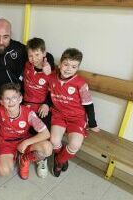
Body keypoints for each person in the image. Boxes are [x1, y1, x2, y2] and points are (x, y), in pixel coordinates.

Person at [0, 18, 55, 102]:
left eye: (5, 37)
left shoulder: (18, 48)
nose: (1, 42)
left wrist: (48, 64)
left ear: (10, 35)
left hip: (11, 101)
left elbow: (47, 55)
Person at [0, 83, 52, 182]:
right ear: (1, 101)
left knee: (48, 148)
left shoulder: (28, 113)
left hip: (23, 140)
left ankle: (25, 159)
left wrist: (25, 143)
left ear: (20, 99)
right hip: (5, 143)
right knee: (4, 171)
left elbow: (46, 134)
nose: (11, 101)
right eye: (7, 99)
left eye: (14, 98)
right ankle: (12, 157)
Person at [48, 48, 100, 177]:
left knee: (75, 144)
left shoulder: (80, 83)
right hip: (58, 115)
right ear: (60, 64)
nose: (68, 69)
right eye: (66, 64)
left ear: (77, 68)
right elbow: (47, 95)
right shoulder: (52, 77)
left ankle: (59, 160)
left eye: (73, 66)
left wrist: (92, 123)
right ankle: (61, 156)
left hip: (76, 118)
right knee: (54, 141)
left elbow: (89, 105)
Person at [22, 37, 53, 178]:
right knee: (21, 129)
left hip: (42, 106)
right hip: (26, 104)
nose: (33, 58)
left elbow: (56, 92)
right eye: (30, 55)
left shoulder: (50, 72)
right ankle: (23, 154)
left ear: (44, 54)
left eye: (37, 55)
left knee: (44, 133)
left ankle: (41, 159)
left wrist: (47, 103)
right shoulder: (27, 65)